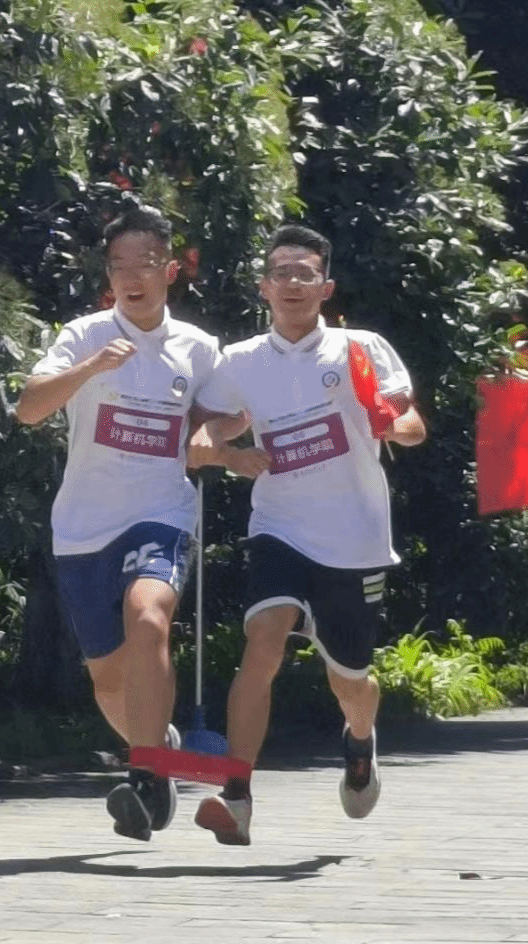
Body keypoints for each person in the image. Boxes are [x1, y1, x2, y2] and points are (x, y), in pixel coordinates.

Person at [186, 224, 427, 846]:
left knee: (350, 679)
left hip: (354, 537)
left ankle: (360, 739)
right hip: (279, 527)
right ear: (264, 287)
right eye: (281, 273)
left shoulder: (360, 348)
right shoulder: (240, 361)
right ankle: (236, 795)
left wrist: (393, 426)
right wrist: (224, 451)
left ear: (325, 287)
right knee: (262, 642)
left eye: (305, 273)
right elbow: (210, 429)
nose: (292, 283)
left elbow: (411, 422)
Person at [14, 205, 222, 841]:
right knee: (108, 679)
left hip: (162, 512)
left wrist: (214, 437)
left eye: (145, 263)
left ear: (170, 270)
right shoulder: (83, 335)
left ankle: (148, 774)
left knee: (149, 616)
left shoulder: (199, 348)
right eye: (119, 266)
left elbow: (221, 416)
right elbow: (28, 409)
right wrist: (91, 368)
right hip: (84, 526)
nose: (132, 277)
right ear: (107, 275)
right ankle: (157, 746)